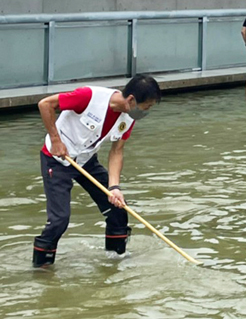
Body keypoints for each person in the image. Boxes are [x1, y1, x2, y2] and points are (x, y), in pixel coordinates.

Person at [32, 75, 162, 267]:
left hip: (86, 161)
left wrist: (114, 187)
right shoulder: (89, 96)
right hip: (57, 160)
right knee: (59, 220)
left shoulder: (128, 117)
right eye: (147, 106)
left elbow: (117, 151)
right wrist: (56, 140)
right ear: (131, 100)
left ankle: (115, 260)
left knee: (119, 207)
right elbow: (45, 104)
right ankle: (42, 268)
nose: (147, 111)